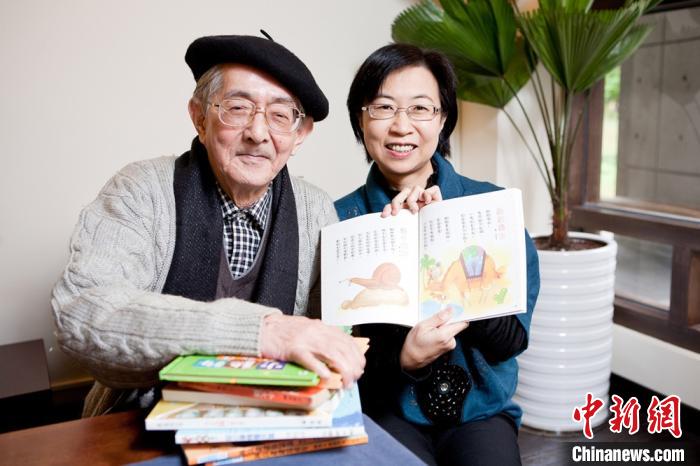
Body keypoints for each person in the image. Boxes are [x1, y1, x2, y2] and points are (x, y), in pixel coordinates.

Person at [51, 33, 364, 417]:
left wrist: (407, 222)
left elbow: (341, 333)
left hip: (275, 418)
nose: (258, 133)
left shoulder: (315, 209)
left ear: (299, 135)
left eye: (280, 116)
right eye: (237, 108)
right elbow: (82, 313)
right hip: (137, 416)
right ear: (200, 117)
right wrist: (261, 332)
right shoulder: (140, 189)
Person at [335, 43, 540, 466]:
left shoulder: (491, 208)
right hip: (382, 407)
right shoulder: (340, 220)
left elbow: (510, 342)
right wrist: (404, 359)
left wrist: (448, 238)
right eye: (383, 107)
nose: (401, 126)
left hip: (480, 414)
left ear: (443, 118)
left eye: (420, 108)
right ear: (361, 118)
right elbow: (336, 352)